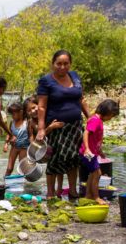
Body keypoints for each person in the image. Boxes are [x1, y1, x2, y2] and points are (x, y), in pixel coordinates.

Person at [36, 50, 90, 199]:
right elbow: (41, 107)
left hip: (75, 126)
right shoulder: (46, 81)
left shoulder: (75, 76)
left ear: (70, 64)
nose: (62, 67)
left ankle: (72, 191)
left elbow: (81, 99)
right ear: (53, 64)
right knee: (55, 159)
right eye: (59, 63)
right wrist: (41, 129)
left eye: (66, 63)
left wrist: (90, 117)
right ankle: (50, 193)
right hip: (57, 126)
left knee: (74, 159)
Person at [80, 100, 120, 205]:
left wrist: (100, 151)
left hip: (92, 152)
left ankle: (88, 195)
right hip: (88, 152)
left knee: (92, 174)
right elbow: (86, 133)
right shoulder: (95, 120)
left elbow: (96, 140)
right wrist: (87, 148)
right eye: (111, 116)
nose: (111, 118)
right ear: (107, 112)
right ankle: (96, 196)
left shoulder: (98, 120)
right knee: (97, 173)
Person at [4, 102, 30, 176]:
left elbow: (31, 135)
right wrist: (6, 144)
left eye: (14, 114)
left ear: (21, 112)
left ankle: (20, 183)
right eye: (11, 114)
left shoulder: (27, 122)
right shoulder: (12, 122)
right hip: (14, 148)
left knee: (22, 169)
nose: (12, 116)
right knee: (9, 168)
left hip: (24, 148)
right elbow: (9, 134)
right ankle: (5, 182)